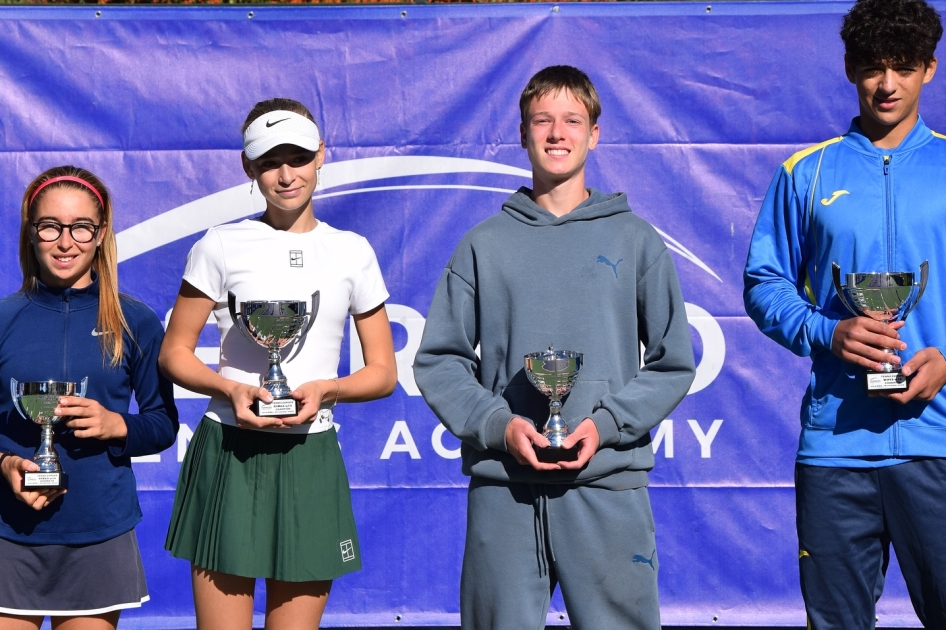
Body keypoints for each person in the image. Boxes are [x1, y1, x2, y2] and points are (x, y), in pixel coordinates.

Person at [413, 66, 695, 630]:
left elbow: (672, 361)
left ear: (595, 133)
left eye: (572, 120)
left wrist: (607, 423)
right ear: (522, 134)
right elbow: (439, 360)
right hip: (505, 489)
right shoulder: (482, 244)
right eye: (542, 120)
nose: (557, 133)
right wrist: (499, 425)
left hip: (608, 485)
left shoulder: (634, 239)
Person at [743, 1, 946, 626]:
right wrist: (828, 330)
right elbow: (764, 283)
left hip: (938, 441)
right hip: (836, 448)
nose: (887, 85)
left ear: (929, 70)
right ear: (850, 70)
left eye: (903, 68)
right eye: (872, 68)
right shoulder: (806, 172)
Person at [161, 97, 397, 630]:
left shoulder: (353, 250)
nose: (286, 175)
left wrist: (327, 390)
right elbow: (174, 352)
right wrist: (230, 391)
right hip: (229, 450)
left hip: (310, 453)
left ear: (321, 156)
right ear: (249, 169)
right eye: (269, 162)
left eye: (297, 158)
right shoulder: (219, 244)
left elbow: (383, 371)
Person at [0, 166, 179, 630]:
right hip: (7, 531)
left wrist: (118, 425)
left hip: (99, 531)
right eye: (50, 226)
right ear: (30, 232)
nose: (65, 242)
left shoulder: (134, 321)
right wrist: (4, 463)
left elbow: (163, 423)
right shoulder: (3, 319)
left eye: (81, 227)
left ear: (101, 234)